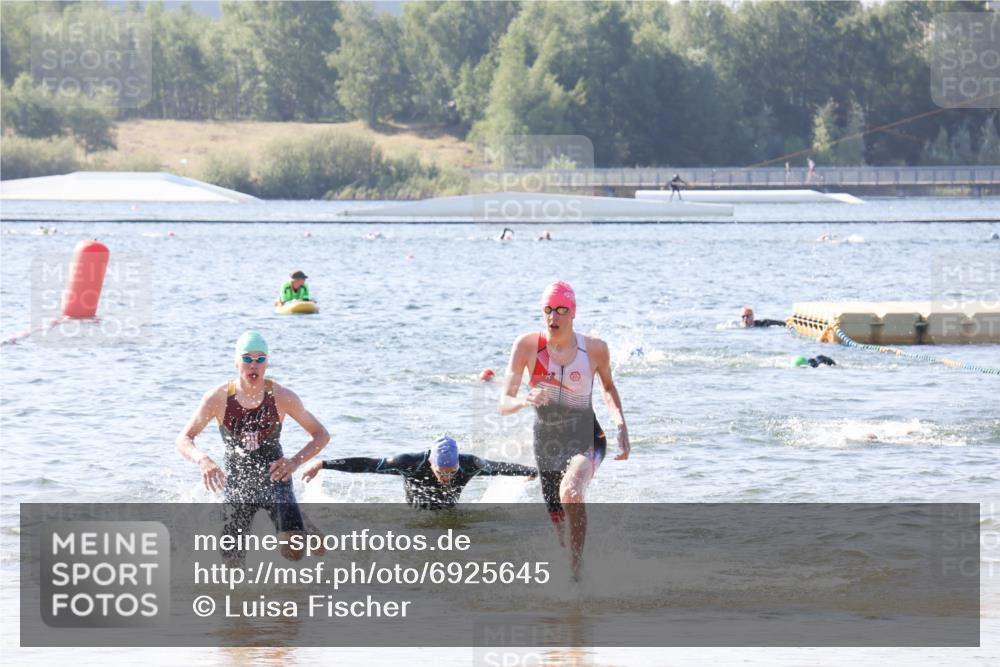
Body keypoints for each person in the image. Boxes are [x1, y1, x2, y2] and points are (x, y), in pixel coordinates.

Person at [499, 281, 629, 579]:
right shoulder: (526, 347)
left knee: (570, 491)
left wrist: (621, 424)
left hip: (587, 437)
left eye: (560, 310)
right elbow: (504, 401)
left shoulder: (594, 349)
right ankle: (575, 572)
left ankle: (576, 579)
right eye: (548, 309)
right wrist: (523, 400)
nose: (553, 316)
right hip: (547, 445)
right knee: (561, 533)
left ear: (573, 313)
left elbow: (608, 387)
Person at [176, 330, 330, 565]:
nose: (253, 365)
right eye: (247, 358)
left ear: (267, 363)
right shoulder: (217, 398)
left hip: (276, 481)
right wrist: (202, 460)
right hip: (238, 485)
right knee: (232, 565)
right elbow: (184, 438)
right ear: (236, 362)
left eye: (260, 359)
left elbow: (321, 434)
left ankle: (301, 521)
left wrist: (294, 461)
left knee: (294, 552)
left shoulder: (282, 396)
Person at [301, 436, 536, 510]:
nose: (447, 478)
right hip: (415, 515)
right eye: (441, 472)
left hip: (449, 516)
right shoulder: (410, 463)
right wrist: (323, 464)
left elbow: (500, 467)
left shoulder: (469, 464)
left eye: (452, 472)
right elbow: (368, 464)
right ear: (432, 463)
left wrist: (531, 471)